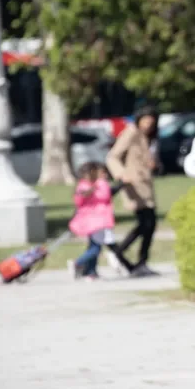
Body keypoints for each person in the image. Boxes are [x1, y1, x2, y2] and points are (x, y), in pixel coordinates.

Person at [108, 105, 159, 277]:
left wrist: (154, 164)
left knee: (149, 225)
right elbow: (113, 156)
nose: (148, 125)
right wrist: (121, 174)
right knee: (146, 223)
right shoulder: (130, 133)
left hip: (145, 184)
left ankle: (141, 261)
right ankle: (119, 253)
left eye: (151, 122)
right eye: (145, 121)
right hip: (133, 185)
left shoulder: (148, 136)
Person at [67, 162, 119, 281]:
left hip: (92, 222)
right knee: (96, 248)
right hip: (96, 222)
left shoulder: (86, 186)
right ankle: (77, 263)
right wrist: (101, 184)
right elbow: (105, 196)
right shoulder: (94, 185)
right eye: (102, 173)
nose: (104, 175)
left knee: (93, 246)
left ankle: (91, 271)